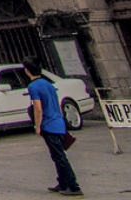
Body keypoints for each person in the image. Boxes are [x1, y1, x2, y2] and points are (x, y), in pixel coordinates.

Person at [25, 57, 83, 197]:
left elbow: (38, 108)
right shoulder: (48, 84)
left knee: (60, 157)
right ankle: (62, 182)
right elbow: (57, 102)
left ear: (27, 71)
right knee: (57, 155)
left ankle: (73, 186)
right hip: (58, 122)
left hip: (49, 125)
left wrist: (37, 126)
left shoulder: (33, 87)